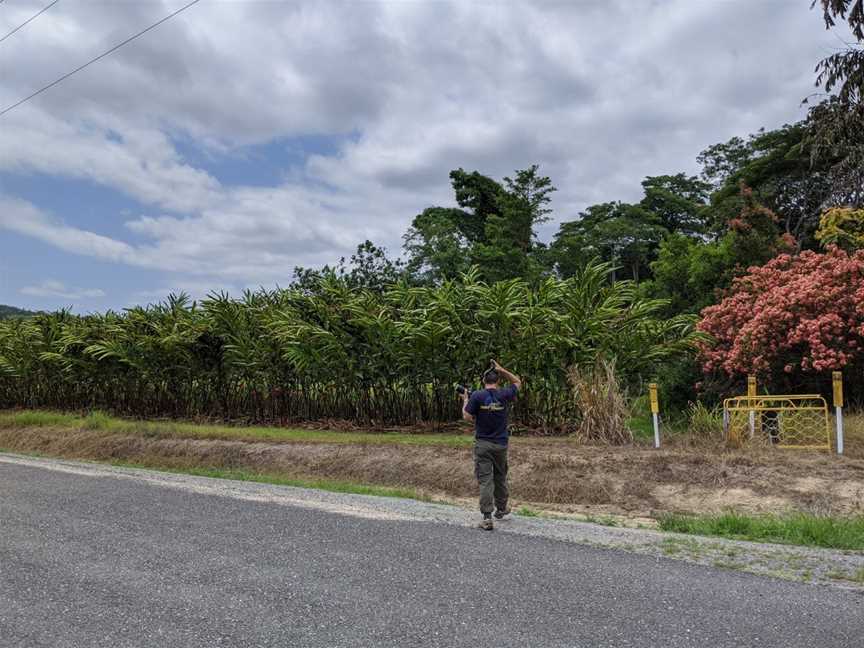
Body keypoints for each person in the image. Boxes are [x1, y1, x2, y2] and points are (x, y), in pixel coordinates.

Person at [461, 359, 522, 531]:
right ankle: (501, 509)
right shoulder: (504, 394)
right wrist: (502, 369)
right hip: (501, 444)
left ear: (483, 381)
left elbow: (467, 417)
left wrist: (465, 400)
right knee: (500, 476)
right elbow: (517, 382)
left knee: (486, 479)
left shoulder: (477, 396)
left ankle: (487, 517)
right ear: (498, 381)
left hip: (483, 444)